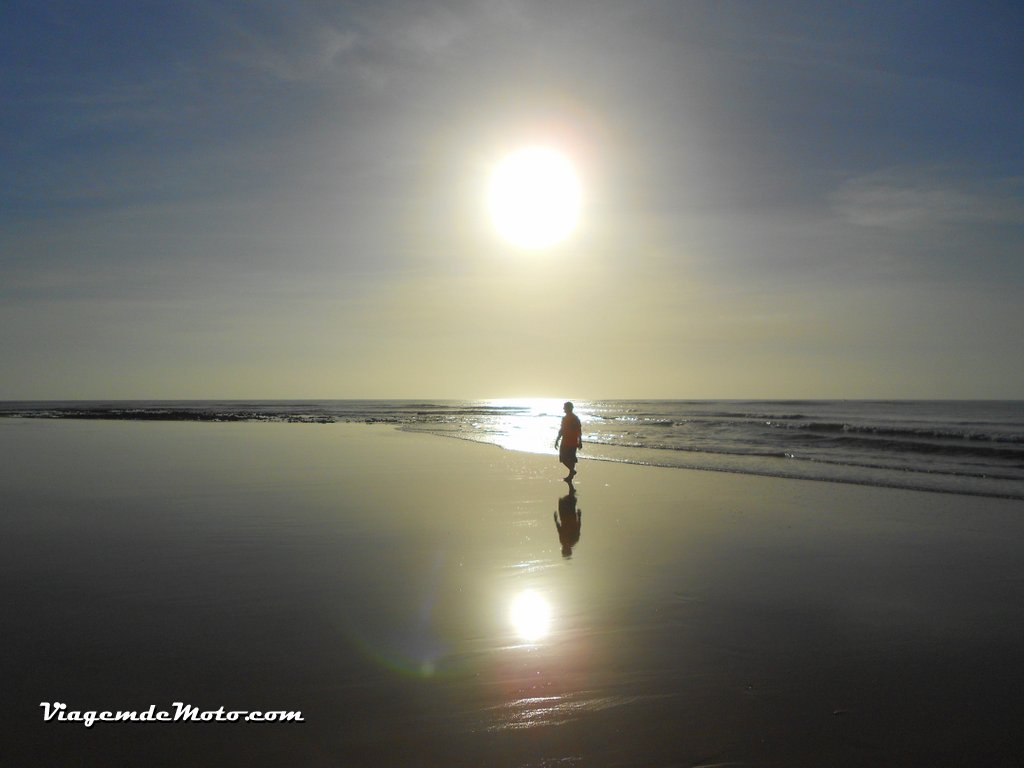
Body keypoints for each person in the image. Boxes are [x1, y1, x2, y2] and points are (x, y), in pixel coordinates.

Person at [554, 401, 583, 481]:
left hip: (572, 441)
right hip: (565, 440)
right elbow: (562, 429)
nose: (564, 409)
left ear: (569, 408)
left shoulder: (575, 418)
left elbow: (579, 431)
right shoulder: (565, 418)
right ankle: (572, 471)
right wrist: (557, 439)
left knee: (571, 458)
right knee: (563, 458)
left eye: (565, 407)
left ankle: (571, 474)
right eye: (564, 407)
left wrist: (580, 441)